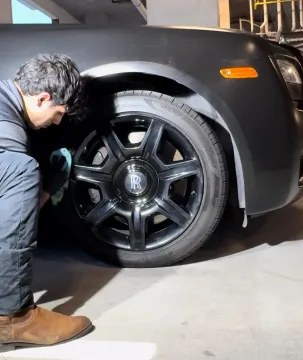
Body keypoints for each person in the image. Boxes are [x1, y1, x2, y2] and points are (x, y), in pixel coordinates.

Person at [0, 54, 92, 347]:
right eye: (58, 114)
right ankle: (13, 318)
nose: (55, 122)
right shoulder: (7, 134)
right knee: (21, 171)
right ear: (42, 99)